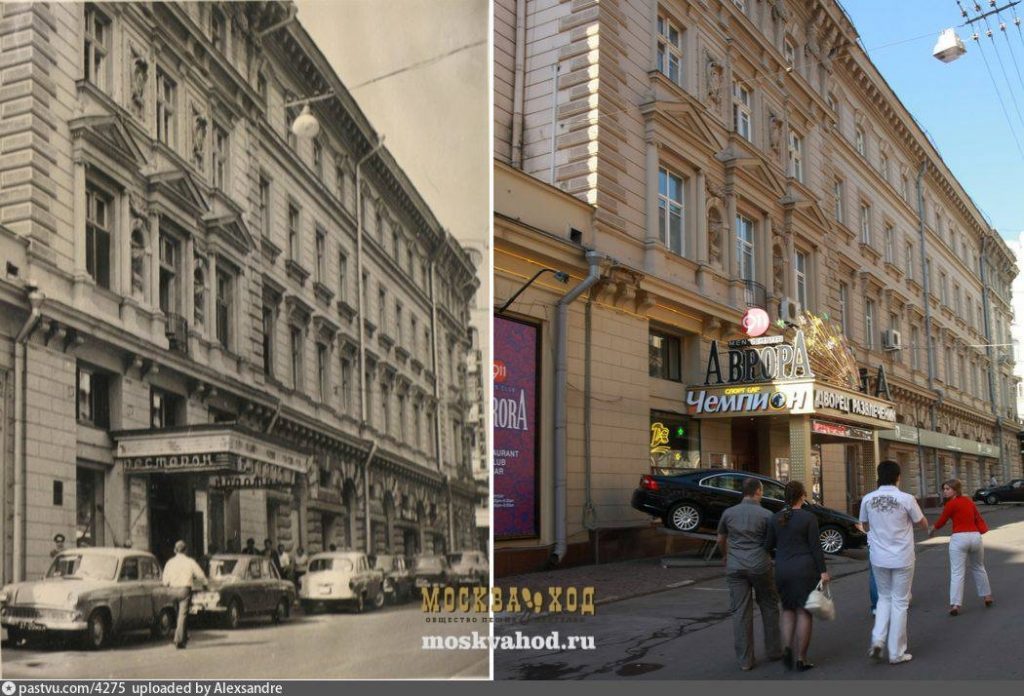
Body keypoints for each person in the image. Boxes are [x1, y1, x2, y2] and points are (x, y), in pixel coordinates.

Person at [859, 460, 928, 665]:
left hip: (879, 557)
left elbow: (864, 524)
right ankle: (897, 652)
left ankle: (878, 639)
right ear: (898, 477)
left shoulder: (868, 499)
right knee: (900, 602)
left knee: (884, 599)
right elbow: (922, 523)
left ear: (879, 476)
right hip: (903, 556)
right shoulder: (906, 498)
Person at [716, 477, 783, 671]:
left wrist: (726, 556)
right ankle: (774, 651)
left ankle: (745, 660)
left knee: (740, 611)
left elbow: (720, 539)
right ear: (758, 492)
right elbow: (772, 542)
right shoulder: (766, 515)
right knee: (769, 604)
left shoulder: (729, 513)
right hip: (760, 565)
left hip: (735, 565)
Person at [765, 480, 830, 672]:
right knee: (804, 612)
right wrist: (823, 571)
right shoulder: (809, 518)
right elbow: (816, 547)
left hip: (783, 569)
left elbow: (767, 545)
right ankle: (801, 658)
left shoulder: (775, 518)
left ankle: (787, 648)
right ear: (802, 496)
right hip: (805, 570)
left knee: (787, 610)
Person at [928, 479, 993, 615]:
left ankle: (956, 605)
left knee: (957, 572)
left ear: (955, 490)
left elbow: (942, 520)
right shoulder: (969, 501)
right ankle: (987, 596)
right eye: (944, 489)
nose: (945, 491)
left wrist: (932, 528)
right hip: (975, 537)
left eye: (948, 489)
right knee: (979, 567)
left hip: (959, 538)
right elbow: (977, 517)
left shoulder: (951, 504)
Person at [162, 540, 207, 649]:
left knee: (178, 614)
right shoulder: (190, 561)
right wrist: (204, 584)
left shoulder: (169, 562)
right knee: (183, 615)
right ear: (186, 550)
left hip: (172, 590)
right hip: (184, 590)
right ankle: (179, 640)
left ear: (175, 550)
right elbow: (200, 576)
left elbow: (164, 581)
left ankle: (183, 636)